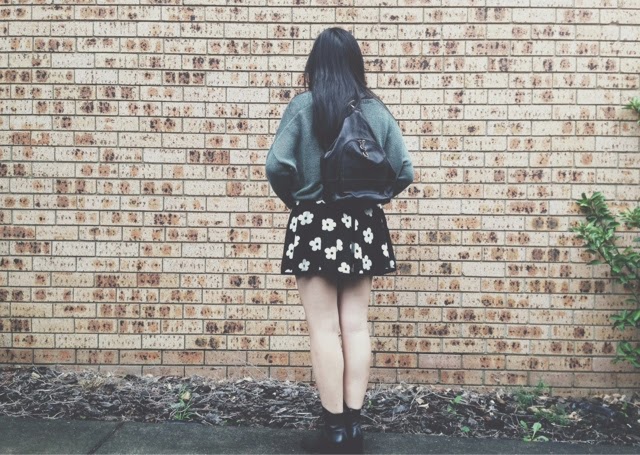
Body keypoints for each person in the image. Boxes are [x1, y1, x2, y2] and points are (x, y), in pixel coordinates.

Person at [265, 27, 414, 454]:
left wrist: (298, 201)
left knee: (324, 329)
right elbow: (403, 170)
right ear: (354, 64)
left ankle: (333, 431)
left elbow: (276, 166)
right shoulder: (375, 111)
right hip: (362, 225)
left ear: (315, 64)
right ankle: (354, 428)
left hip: (314, 223)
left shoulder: (303, 107)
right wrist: (370, 199)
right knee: (356, 325)